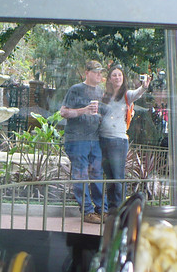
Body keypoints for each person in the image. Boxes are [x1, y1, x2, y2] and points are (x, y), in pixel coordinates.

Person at [59, 60, 107, 224]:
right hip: (77, 139)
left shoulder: (100, 91)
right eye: (95, 72)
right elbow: (64, 112)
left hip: (95, 139)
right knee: (81, 174)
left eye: (100, 72)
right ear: (87, 72)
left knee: (97, 174)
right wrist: (84, 110)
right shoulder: (76, 89)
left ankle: (102, 210)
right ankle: (87, 211)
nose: (99, 75)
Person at [98, 64, 150, 212]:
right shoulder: (104, 97)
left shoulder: (127, 95)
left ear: (123, 78)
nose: (117, 77)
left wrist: (144, 87)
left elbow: (137, 93)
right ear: (109, 79)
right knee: (109, 176)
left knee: (118, 177)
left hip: (118, 141)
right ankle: (111, 208)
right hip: (103, 139)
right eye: (114, 75)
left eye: (119, 75)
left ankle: (120, 209)